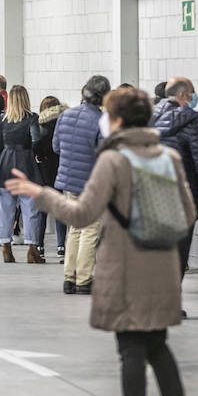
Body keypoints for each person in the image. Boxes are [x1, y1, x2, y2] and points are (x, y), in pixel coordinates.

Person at [6, 87, 194, 396]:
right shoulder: (168, 156)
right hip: (162, 263)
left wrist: (39, 193)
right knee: (158, 347)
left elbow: (81, 214)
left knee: (131, 351)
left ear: (117, 120)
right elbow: (187, 212)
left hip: (126, 265)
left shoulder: (113, 161)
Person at [150, 77, 198, 277]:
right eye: (192, 93)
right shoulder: (192, 119)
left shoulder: (148, 117)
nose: (193, 97)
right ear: (182, 95)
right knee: (178, 253)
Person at [54, 75, 110, 294]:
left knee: (75, 229)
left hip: (68, 181)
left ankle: (69, 277)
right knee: (90, 230)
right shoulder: (101, 121)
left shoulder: (65, 115)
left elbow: (56, 146)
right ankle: (84, 279)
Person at [0, 85, 45, 264]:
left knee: (4, 209)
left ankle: (6, 247)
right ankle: (32, 249)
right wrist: (38, 156)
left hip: (5, 165)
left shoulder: (2, 118)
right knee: (31, 209)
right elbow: (36, 141)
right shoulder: (32, 118)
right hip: (26, 165)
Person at [34, 96, 68, 259]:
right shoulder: (65, 123)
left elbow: (37, 147)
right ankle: (61, 245)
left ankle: (39, 245)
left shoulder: (42, 126)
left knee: (42, 211)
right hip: (61, 171)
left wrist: (38, 157)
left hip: (44, 173)